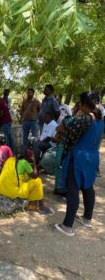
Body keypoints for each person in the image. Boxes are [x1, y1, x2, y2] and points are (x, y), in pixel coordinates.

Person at [51, 92, 104, 236]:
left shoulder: (84, 119)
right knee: (88, 187)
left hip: (79, 157)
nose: (79, 106)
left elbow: (62, 128)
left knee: (73, 188)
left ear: (86, 105)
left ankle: (67, 226)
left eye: (80, 103)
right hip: (92, 156)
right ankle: (87, 219)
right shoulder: (100, 120)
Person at [0, 150, 51, 214]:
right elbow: (35, 176)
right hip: (13, 192)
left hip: (2, 189)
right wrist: (34, 161)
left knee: (25, 177)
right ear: (26, 156)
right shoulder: (24, 163)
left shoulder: (9, 159)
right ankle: (41, 207)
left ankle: (32, 204)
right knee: (38, 181)